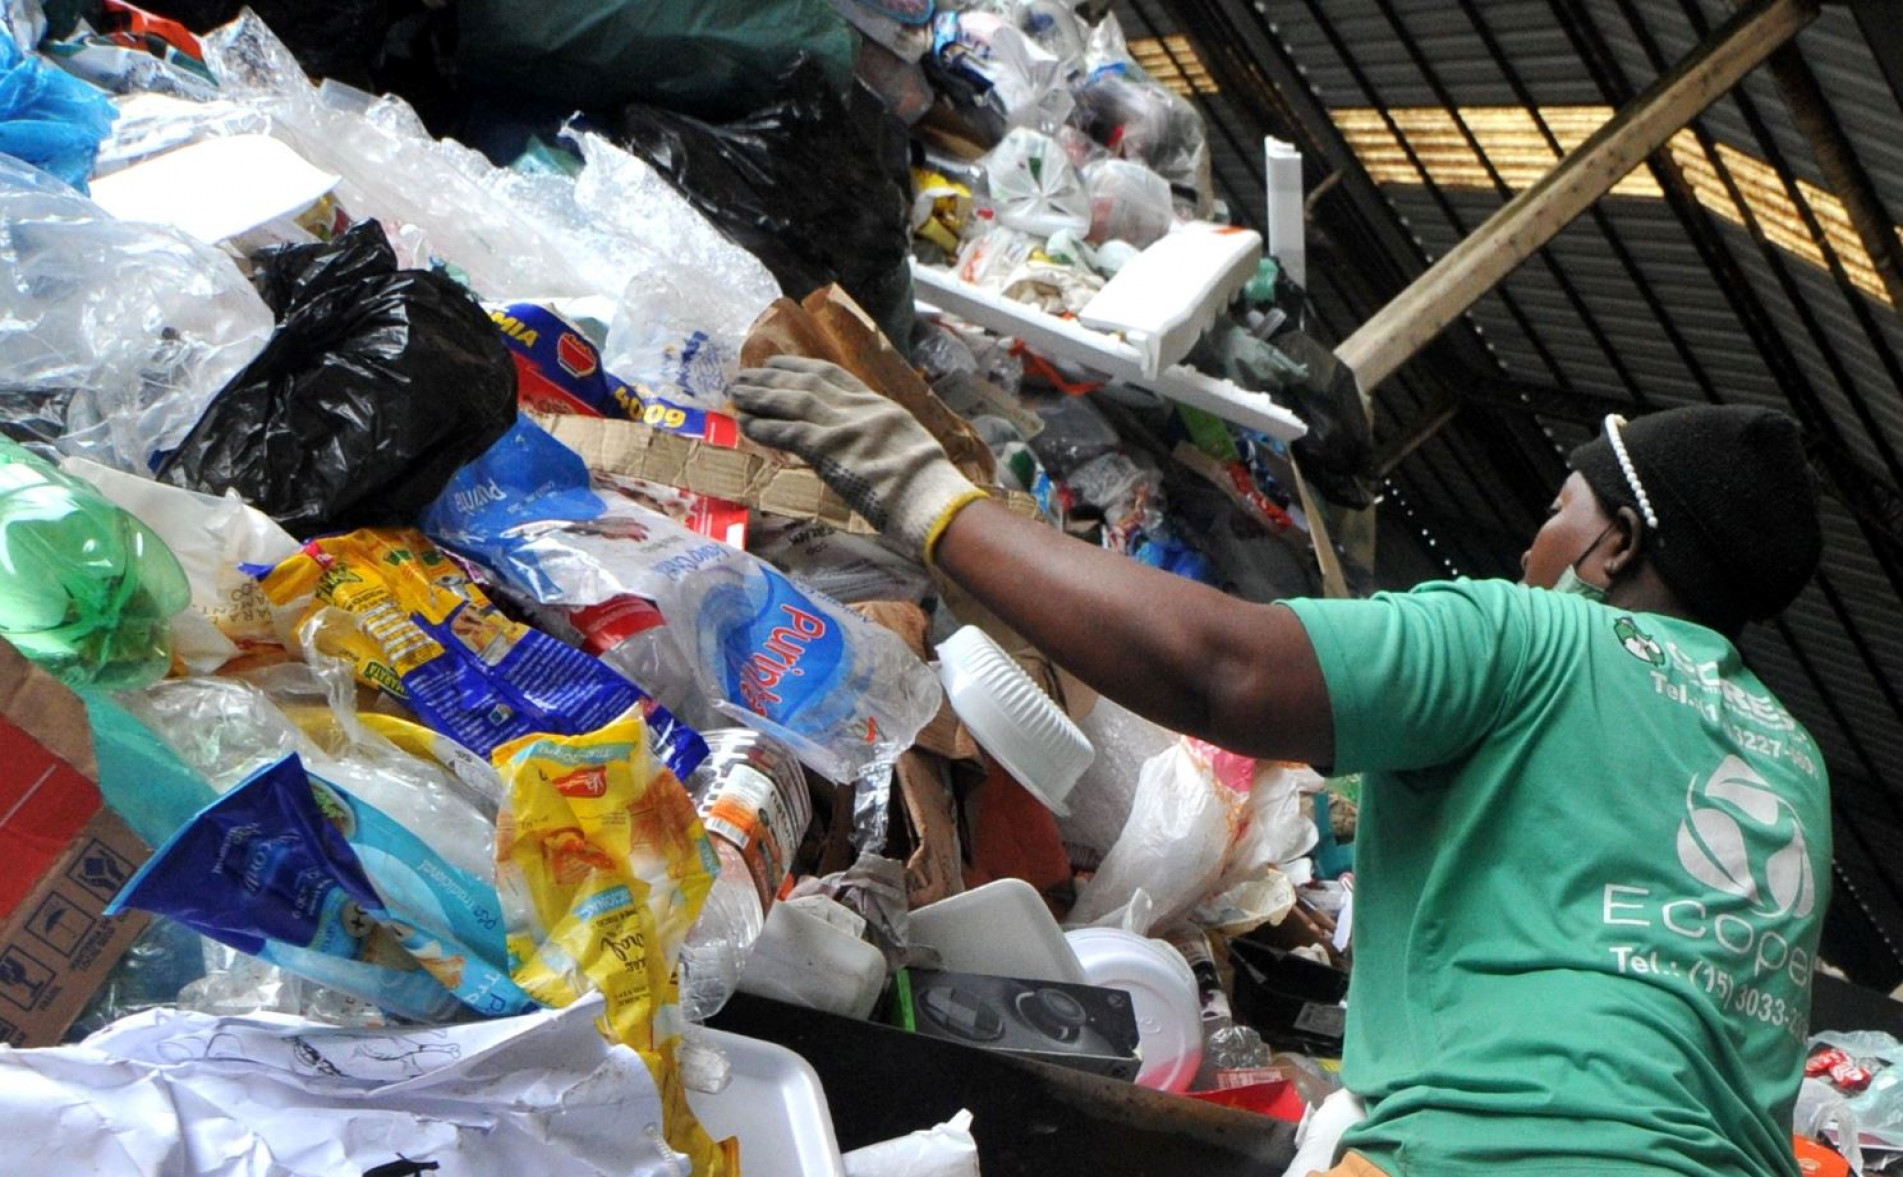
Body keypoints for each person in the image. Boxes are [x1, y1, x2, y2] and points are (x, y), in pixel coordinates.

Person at [731, 355, 1832, 1177]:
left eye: (1557, 513)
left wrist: (928, 495)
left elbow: (1221, 669)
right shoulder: (1791, 765)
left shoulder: (1537, 636)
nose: (1533, 543)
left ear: (1618, 544)